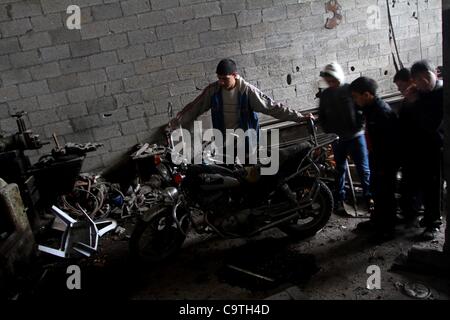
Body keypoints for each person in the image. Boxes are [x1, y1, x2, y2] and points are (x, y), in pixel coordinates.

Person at [350, 77, 399, 242]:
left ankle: (387, 230)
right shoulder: (370, 109)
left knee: (386, 195)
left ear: (366, 95)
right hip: (376, 157)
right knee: (377, 192)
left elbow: (391, 143)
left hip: (386, 160)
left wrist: (385, 165)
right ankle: (377, 221)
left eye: (356, 96)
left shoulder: (381, 112)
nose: (354, 100)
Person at [318, 62, 371, 215]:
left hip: (356, 136)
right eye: (328, 80)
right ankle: (339, 199)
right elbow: (322, 115)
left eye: (333, 80)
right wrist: (329, 131)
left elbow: (361, 109)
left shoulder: (350, 90)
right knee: (339, 169)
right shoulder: (326, 95)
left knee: (363, 169)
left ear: (338, 77)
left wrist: (359, 125)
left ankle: (369, 197)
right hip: (338, 139)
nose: (331, 83)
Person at [410, 60, 444, 240]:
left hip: (437, 148)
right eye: (417, 79)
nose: (423, 82)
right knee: (425, 185)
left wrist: (415, 102)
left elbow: (432, 124)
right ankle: (428, 216)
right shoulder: (421, 94)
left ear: (435, 74)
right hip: (423, 147)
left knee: (434, 186)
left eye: (426, 77)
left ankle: (434, 223)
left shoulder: (442, 94)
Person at [393, 68, 422, 224]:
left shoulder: (420, 100)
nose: (400, 90)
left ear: (412, 81)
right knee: (406, 185)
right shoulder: (406, 101)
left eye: (401, 86)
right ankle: (408, 214)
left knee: (416, 185)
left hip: (417, 150)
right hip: (407, 150)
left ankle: (413, 215)